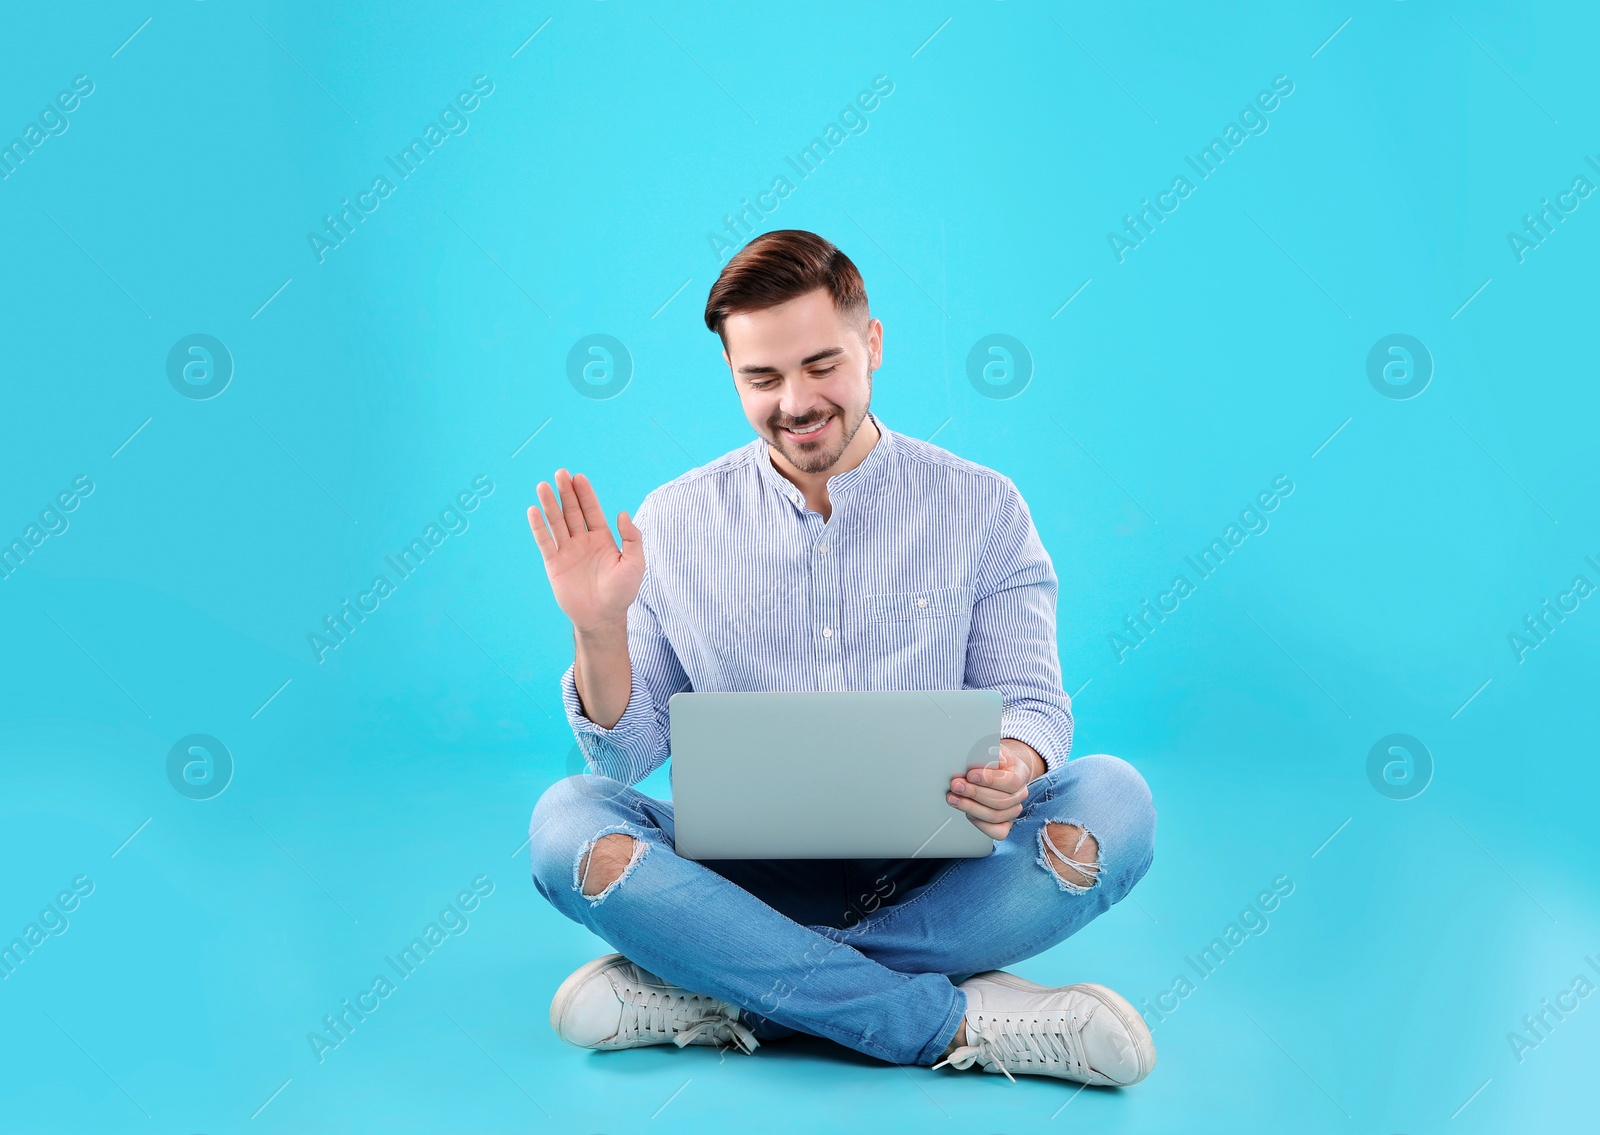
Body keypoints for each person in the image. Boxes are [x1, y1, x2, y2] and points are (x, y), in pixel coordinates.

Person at [525, 229, 1157, 1086]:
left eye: (821, 365)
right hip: (741, 884)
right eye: (763, 377)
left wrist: (1014, 759)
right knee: (567, 822)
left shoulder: (981, 506)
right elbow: (624, 752)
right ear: (733, 375)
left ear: (873, 345)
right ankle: (947, 1021)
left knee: (1116, 798)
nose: (796, 400)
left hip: (939, 879)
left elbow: (1034, 703)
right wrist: (598, 627)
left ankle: (726, 988)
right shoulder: (675, 521)